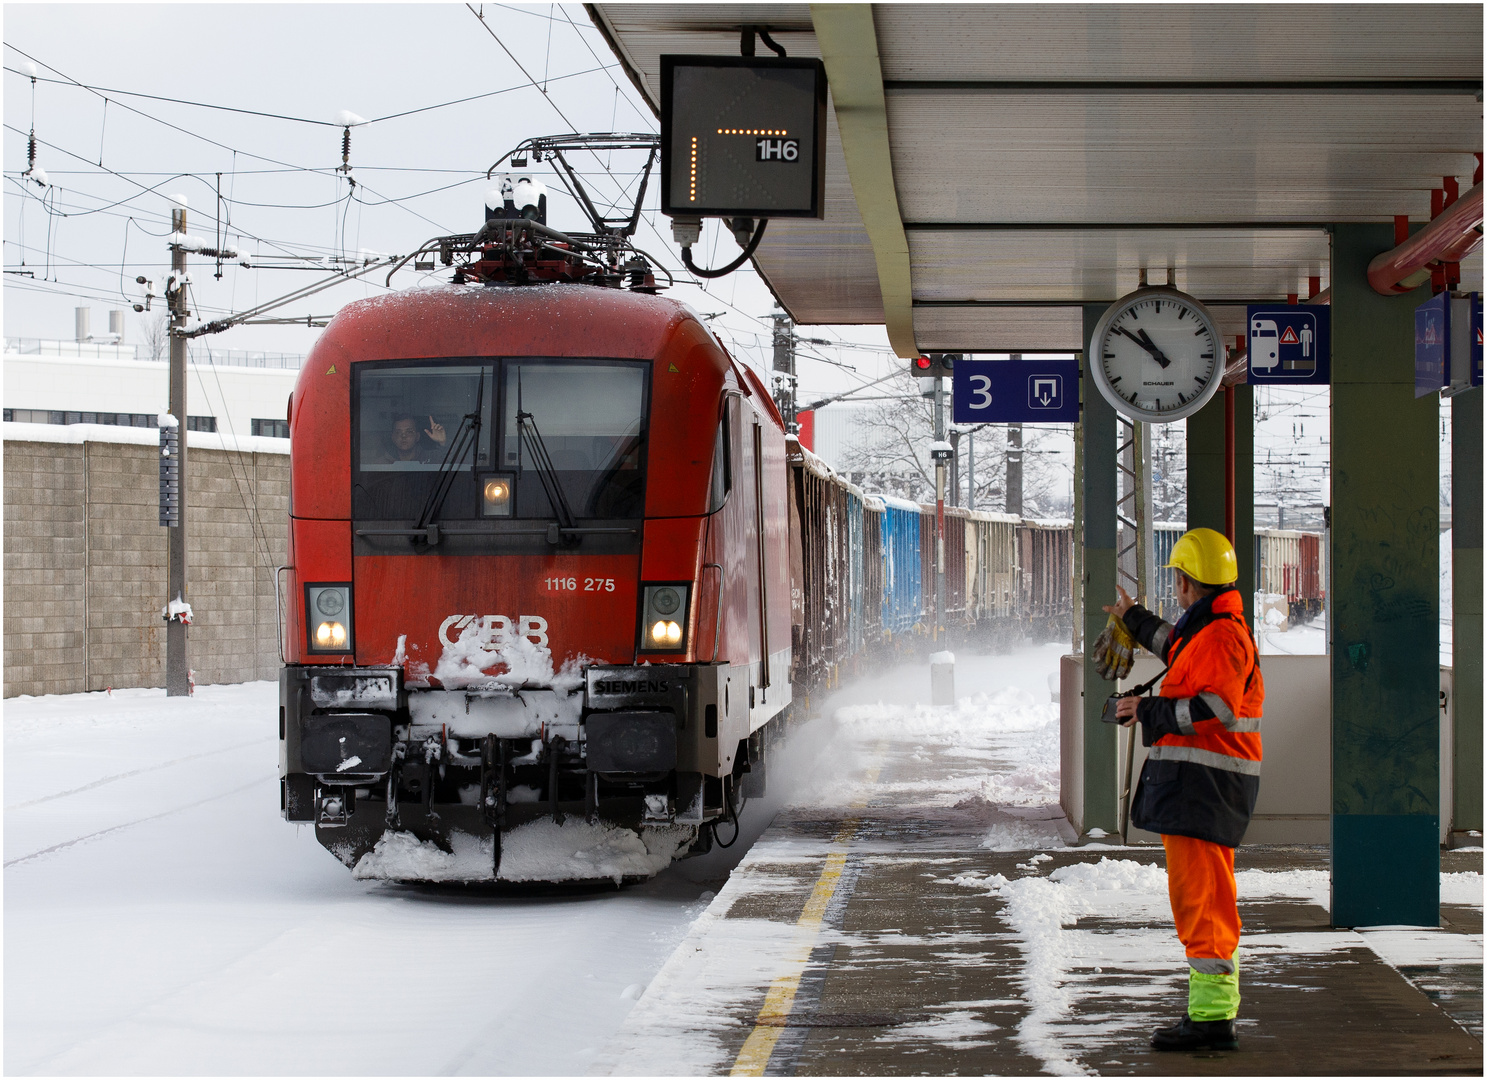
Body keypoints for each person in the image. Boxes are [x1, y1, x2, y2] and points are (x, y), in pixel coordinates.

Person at [1101, 527, 1263, 1053]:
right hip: (1198, 787)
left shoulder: (1221, 636)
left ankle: (1213, 1021)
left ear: (1189, 582)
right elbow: (1177, 645)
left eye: (1177, 579)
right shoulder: (1209, 628)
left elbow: (1216, 710)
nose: (1175, 588)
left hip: (1205, 788)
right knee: (1201, 897)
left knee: (1204, 900)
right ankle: (1212, 1011)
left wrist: (1145, 709)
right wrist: (1134, 620)